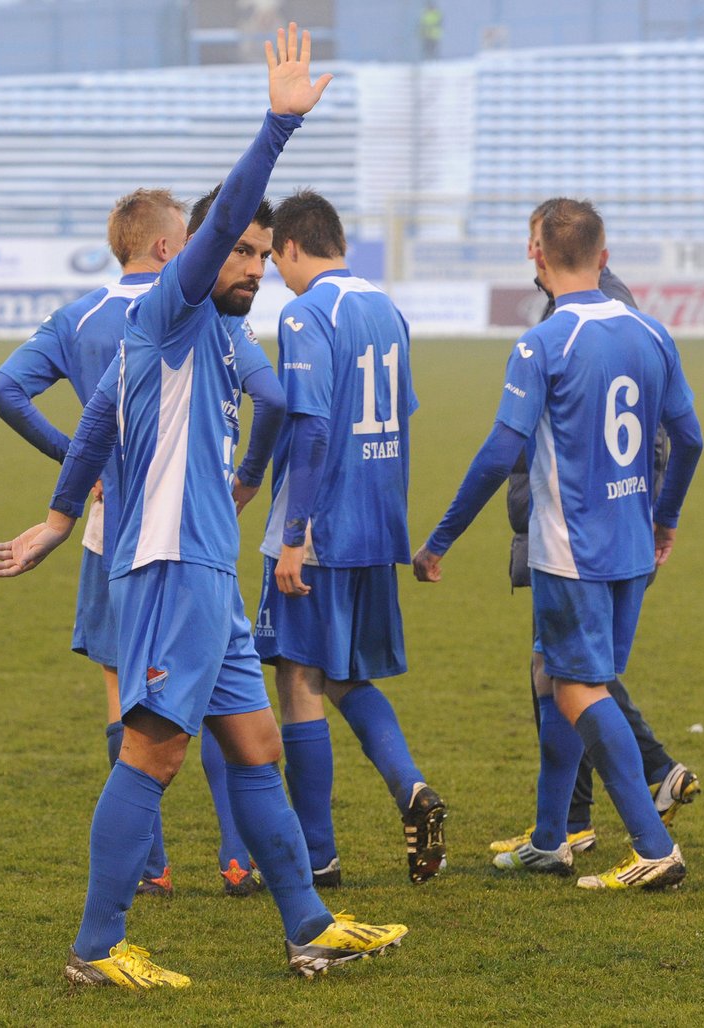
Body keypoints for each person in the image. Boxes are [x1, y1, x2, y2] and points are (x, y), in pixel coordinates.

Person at [0, 23, 407, 988]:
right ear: (200, 255)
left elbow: (96, 417)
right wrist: (278, 128)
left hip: (209, 573)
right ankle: (96, 950)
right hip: (172, 563)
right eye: (244, 251)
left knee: (256, 745)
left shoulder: (211, 337)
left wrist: (57, 516)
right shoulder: (173, 306)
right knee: (154, 752)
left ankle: (308, 926)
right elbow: (212, 240)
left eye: (265, 254)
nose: (255, 267)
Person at [0, 188, 281, 900]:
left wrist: (76, 469)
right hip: (187, 522)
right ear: (166, 246)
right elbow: (268, 398)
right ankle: (236, 857)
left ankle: (152, 867)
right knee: (206, 698)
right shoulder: (197, 310)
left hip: (109, 524)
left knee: (126, 691)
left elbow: (5, 391)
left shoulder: (81, 315)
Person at [413, 198, 703, 890]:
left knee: (576, 688)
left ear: (535, 256)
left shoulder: (543, 342)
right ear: (604, 257)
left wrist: (440, 539)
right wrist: (665, 518)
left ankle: (653, 844)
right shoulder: (652, 332)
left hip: (571, 551)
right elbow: (689, 438)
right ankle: (551, 838)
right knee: (556, 675)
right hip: (632, 544)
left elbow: (497, 454)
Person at [491, 199, 701, 858]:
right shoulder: (572, 310)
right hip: (571, 522)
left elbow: (658, 436)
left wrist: (645, 510)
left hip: (584, 529)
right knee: (554, 668)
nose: (531, 251)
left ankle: (647, 794)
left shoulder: (596, 314)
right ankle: (558, 830)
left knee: (578, 674)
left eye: (535, 239)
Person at [254, 188, 446, 888]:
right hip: (378, 522)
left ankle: (318, 854)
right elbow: (402, 412)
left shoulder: (308, 314)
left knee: (299, 679)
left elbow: (310, 427)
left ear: (294, 247)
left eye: (275, 260)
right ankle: (411, 789)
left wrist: (296, 533)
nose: (276, 273)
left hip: (323, 525)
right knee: (345, 675)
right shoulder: (386, 309)